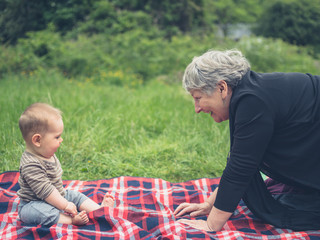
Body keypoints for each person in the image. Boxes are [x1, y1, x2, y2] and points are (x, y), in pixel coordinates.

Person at [174, 49, 320, 231]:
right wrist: (209, 205)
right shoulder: (248, 93)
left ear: (222, 88)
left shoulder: (252, 100)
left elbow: (241, 167)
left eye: (198, 98)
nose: (197, 109)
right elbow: (242, 159)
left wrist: (211, 224)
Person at [17, 103, 115, 226]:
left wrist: (65, 200)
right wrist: (65, 205)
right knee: (41, 213)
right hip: (34, 203)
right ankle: (71, 220)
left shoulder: (44, 152)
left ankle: (100, 210)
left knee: (75, 195)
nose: (61, 139)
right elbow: (46, 191)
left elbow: (55, 189)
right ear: (37, 140)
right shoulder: (30, 165)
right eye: (57, 137)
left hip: (57, 195)